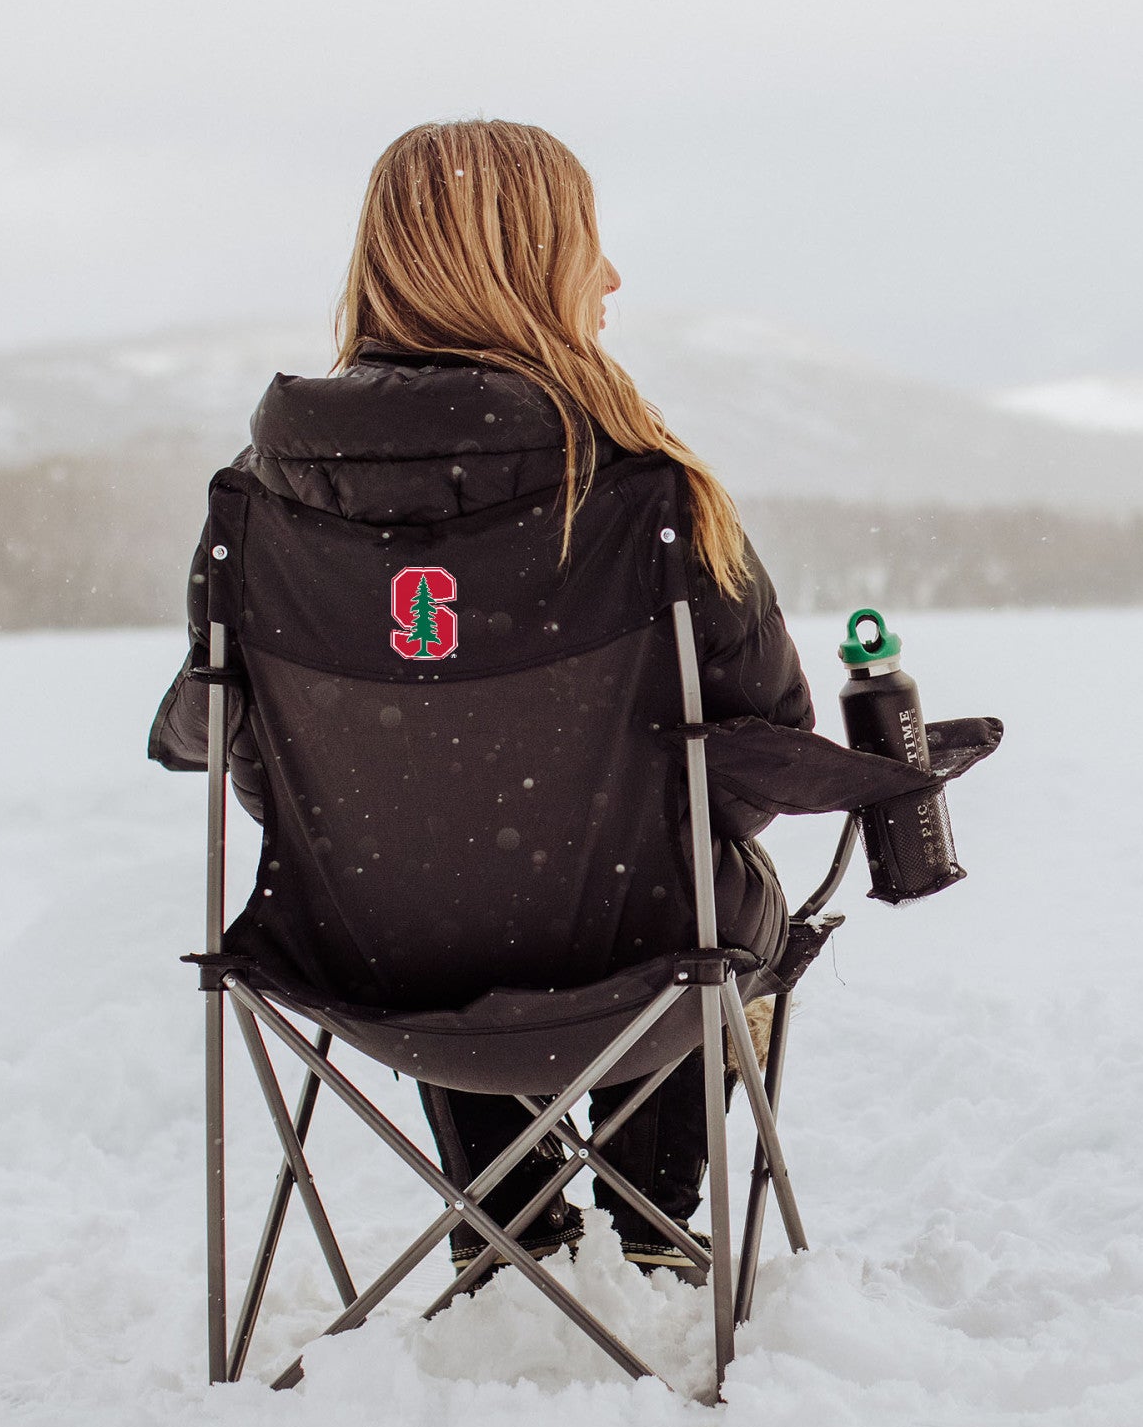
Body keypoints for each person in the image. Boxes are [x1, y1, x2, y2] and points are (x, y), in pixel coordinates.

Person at [150, 119, 814, 1280]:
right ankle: (648, 1227)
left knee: (422, 865)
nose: (610, 278)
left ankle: (506, 1225)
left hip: (373, 973)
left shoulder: (256, 507)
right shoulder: (643, 493)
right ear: (524, 263)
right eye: (588, 245)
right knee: (673, 877)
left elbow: (258, 772)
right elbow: (759, 748)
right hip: (647, 970)